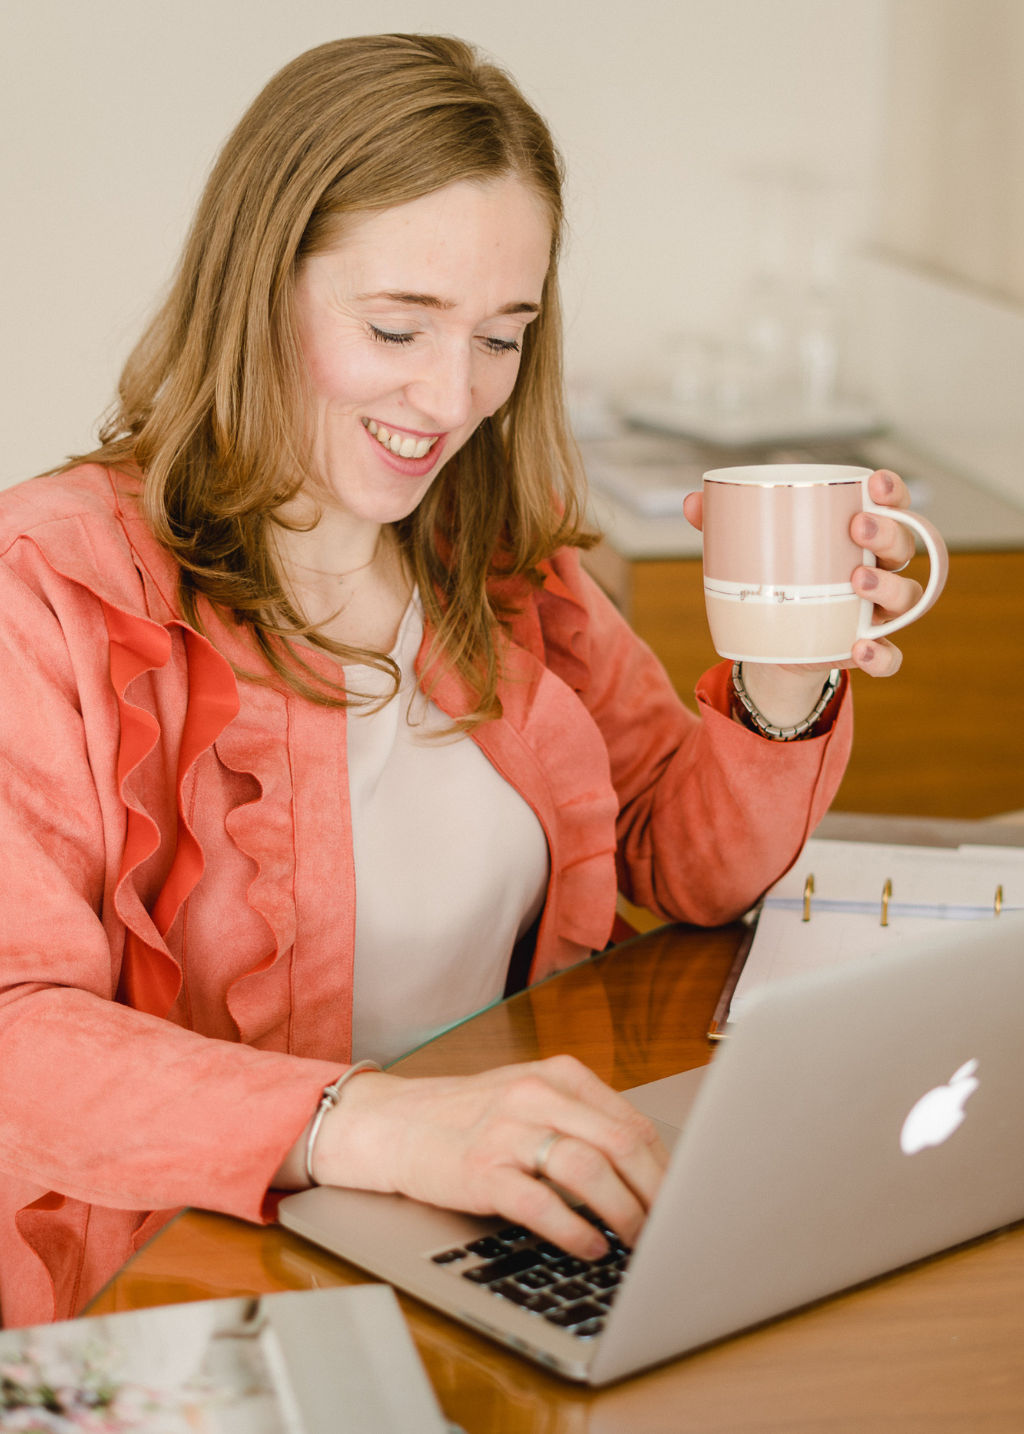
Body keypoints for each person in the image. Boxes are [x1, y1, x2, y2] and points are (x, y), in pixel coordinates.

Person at [0, 34, 922, 1329]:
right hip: (174, 1291)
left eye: (503, 336)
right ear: (258, 287)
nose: (452, 397)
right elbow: (14, 1039)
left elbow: (690, 855)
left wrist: (784, 671)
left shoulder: (493, 560)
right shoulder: (46, 581)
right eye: (397, 326)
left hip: (464, 1247)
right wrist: (375, 1124)